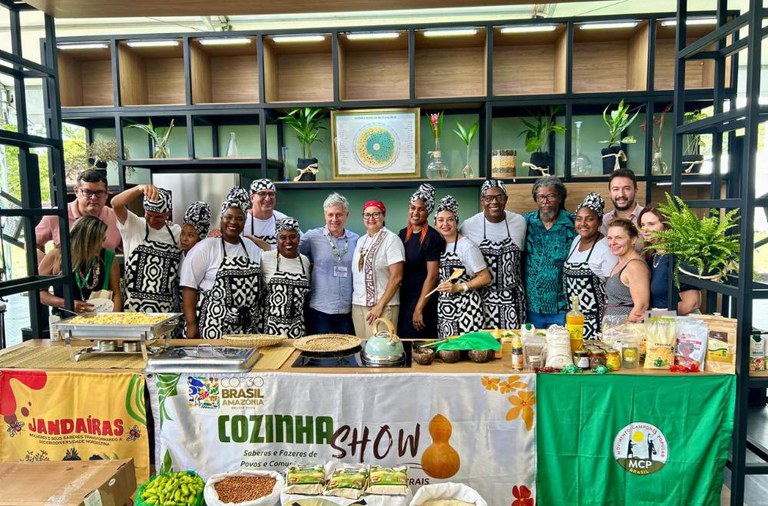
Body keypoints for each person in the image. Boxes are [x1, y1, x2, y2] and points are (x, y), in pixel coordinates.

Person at [180, 188, 263, 339]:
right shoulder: (206, 247)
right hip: (213, 326)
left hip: (244, 328)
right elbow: (188, 287)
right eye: (228, 217)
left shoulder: (251, 247)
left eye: (239, 218)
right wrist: (191, 324)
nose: (233, 222)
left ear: (244, 222)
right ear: (221, 219)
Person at [460, 179, 526, 329]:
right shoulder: (468, 225)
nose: (494, 202)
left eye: (499, 196)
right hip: (482, 297)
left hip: (512, 298)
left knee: (512, 344)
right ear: (482, 200)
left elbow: (522, 259)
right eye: (488, 198)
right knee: (485, 347)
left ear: (506, 199)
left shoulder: (519, 222)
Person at [111, 184, 182, 313]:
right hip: (133, 308)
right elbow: (116, 204)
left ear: (169, 213)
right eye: (149, 215)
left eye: (159, 216)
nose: (153, 220)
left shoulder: (177, 232)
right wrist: (139, 188)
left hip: (167, 309)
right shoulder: (134, 225)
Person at [300, 193, 359, 335]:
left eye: (339, 215)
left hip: (347, 309)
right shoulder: (312, 237)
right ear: (325, 215)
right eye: (330, 215)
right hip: (320, 309)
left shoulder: (356, 239)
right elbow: (288, 250)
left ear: (346, 215)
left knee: (346, 353)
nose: (334, 219)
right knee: (320, 352)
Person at [38, 215, 121, 315]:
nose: (101, 245)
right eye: (97, 241)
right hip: (65, 320)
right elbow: (39, 293)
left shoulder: (108, 257)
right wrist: (67, 303)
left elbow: (116, 294)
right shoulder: (56, 255)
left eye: (103, 240)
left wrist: (114, 320)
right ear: (83, 240)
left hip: (100, 319)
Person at [434, 195, 491, 339]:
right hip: (446, 310)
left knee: (468, 352)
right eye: (441, 220)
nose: (445, 224)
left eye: (450, 219)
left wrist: (458, 287)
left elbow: (485, 277)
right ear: (435, 224)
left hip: (467, 309)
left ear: (456, 222)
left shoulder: (467, 246)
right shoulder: (438, 245)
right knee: (449, 353)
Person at [562, 193, 618, 339]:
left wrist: (608, 326)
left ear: (599, 222)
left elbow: (612, 291)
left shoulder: (606, 249)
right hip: (574, 321)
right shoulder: (575, 241)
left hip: (596, 323)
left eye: (590, 219)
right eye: (579, 219)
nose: (583, 223)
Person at [524, 176, 576, 328]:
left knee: (561, 347)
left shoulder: (573, 222)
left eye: (551, 196)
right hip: (532, 305)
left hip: (562, 305)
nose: (545, 201)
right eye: (541, 197)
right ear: (536, 199)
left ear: (560, 198)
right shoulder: (526, 221)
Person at [351, 199, 405, 340]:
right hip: (359, 305)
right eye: (367, 215)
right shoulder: (361, 241)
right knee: (363, 351)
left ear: (384, 215)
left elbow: (397, 277)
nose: (371, 218)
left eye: (376, 214)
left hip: (383, 307)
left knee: (380, 353)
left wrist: (379, 306)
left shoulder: (391, 240)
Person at [397, 184, 444, 339]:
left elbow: (432, 277)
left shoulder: (432, 238)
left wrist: (419, 309)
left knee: (420, 345)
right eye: (412, 207)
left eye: (421, 209)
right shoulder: (403, 234)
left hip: (423, 300)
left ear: (428, 211)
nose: (415, 212)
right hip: (404, 298)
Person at [35, 169, 122, 253]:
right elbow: (31, 243)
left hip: (105, 267)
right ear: (76, 192)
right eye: (87, 192)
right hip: (67, 268)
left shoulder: (118, 217)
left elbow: (132, 246)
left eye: (99, 192)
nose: (93, 197)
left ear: (107, 194)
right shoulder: (58, 215)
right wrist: (48, 264)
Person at [638, 204, 701, 315]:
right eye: (642, 225)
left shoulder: (678, 258)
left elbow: (692, 302)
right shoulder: (653, 257)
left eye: (651, 224)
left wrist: (655, 317)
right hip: (660, 324)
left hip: (678, 326)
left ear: (667, 226)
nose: (645, 229)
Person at [261, 217, 311, 338]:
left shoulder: (305, 261)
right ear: (276, 239)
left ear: (298, 239)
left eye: (292, 237)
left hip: (297, 329)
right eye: (283, 237)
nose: (288, 241)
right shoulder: (265, 258)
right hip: (270, 330)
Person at [604, 218, 650, 323]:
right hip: (613, 332)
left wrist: (623, 331)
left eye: (619, 238)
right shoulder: (620, 263)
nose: (613, 242)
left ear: (633, 239)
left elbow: (641, 307)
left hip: (625, 333)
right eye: (610, 238)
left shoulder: (635, 266)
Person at [244, 179, 292, 251]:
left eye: (271, 194)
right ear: (252, 198)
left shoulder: (284, 220)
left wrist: (267, 247)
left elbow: (299, 244)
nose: (267, 198)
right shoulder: (241, 220)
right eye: (262, 194)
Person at [601, 168, 644, 233]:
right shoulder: (603, 222)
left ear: (635, 190)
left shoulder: (647, 218)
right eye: (616, 189)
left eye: (627, 189)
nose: (621, 194)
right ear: (610, 192)